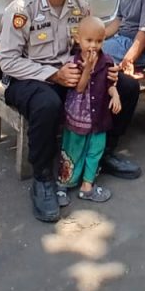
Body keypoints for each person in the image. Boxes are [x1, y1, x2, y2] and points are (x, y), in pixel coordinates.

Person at [0, 0, 142, 223]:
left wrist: (104, 69)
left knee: (127, 87)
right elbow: (8, 62)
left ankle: (102, 154)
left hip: (75, 74)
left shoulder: (80, 4)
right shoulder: (21, 9)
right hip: (28, 78)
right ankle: (42, 178)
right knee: (47, 104)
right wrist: (53, 75)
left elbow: (90, 44)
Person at [58, 16, 122, 203]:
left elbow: (110, 83)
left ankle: (87, 185)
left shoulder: (106, 61)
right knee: (73, 150)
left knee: (95, 150)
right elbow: (79, 87)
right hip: (78, 116)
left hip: (99, 116)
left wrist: (115, 94)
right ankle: (64, 183)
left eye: (99, 41)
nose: (94, 46)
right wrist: (86, 70)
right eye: (89, 40)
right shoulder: (74, 62)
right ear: (78, 39)